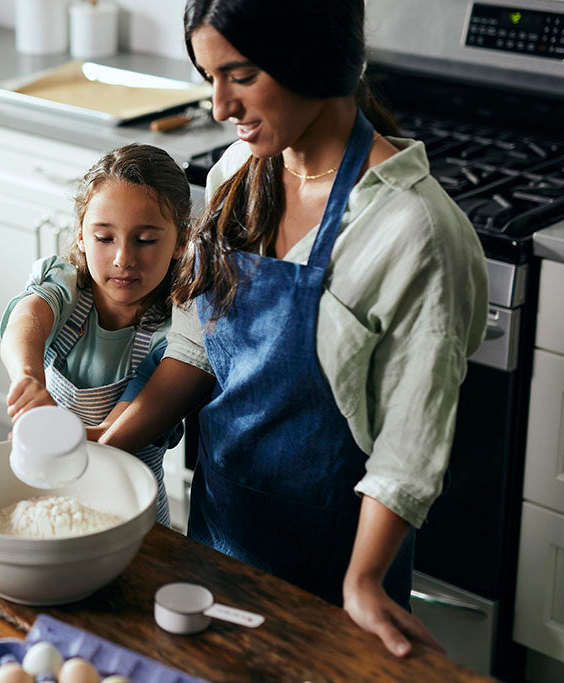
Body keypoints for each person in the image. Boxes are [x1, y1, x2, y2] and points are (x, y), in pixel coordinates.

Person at [98, 0, 488, 658]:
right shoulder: (235, 175)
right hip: (219, 540)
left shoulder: (410, 230)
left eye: (241, 75)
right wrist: (109, 442)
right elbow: (198, 347)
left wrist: (362, 582)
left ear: (311, 57)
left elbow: (407, 452)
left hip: (333, 573)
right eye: (209, 76)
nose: (220, 105)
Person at [0, 143, 191, 526]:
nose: (123, 258)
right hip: (53, 498)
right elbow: (28, 318)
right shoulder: (68, 286)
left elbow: (109, 438)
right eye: (105, 238)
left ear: (180, 242)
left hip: (135, 514)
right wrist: (28, 379)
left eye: (146, 240)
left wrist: (49, 433)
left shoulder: (177, 333)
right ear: (82, 237)